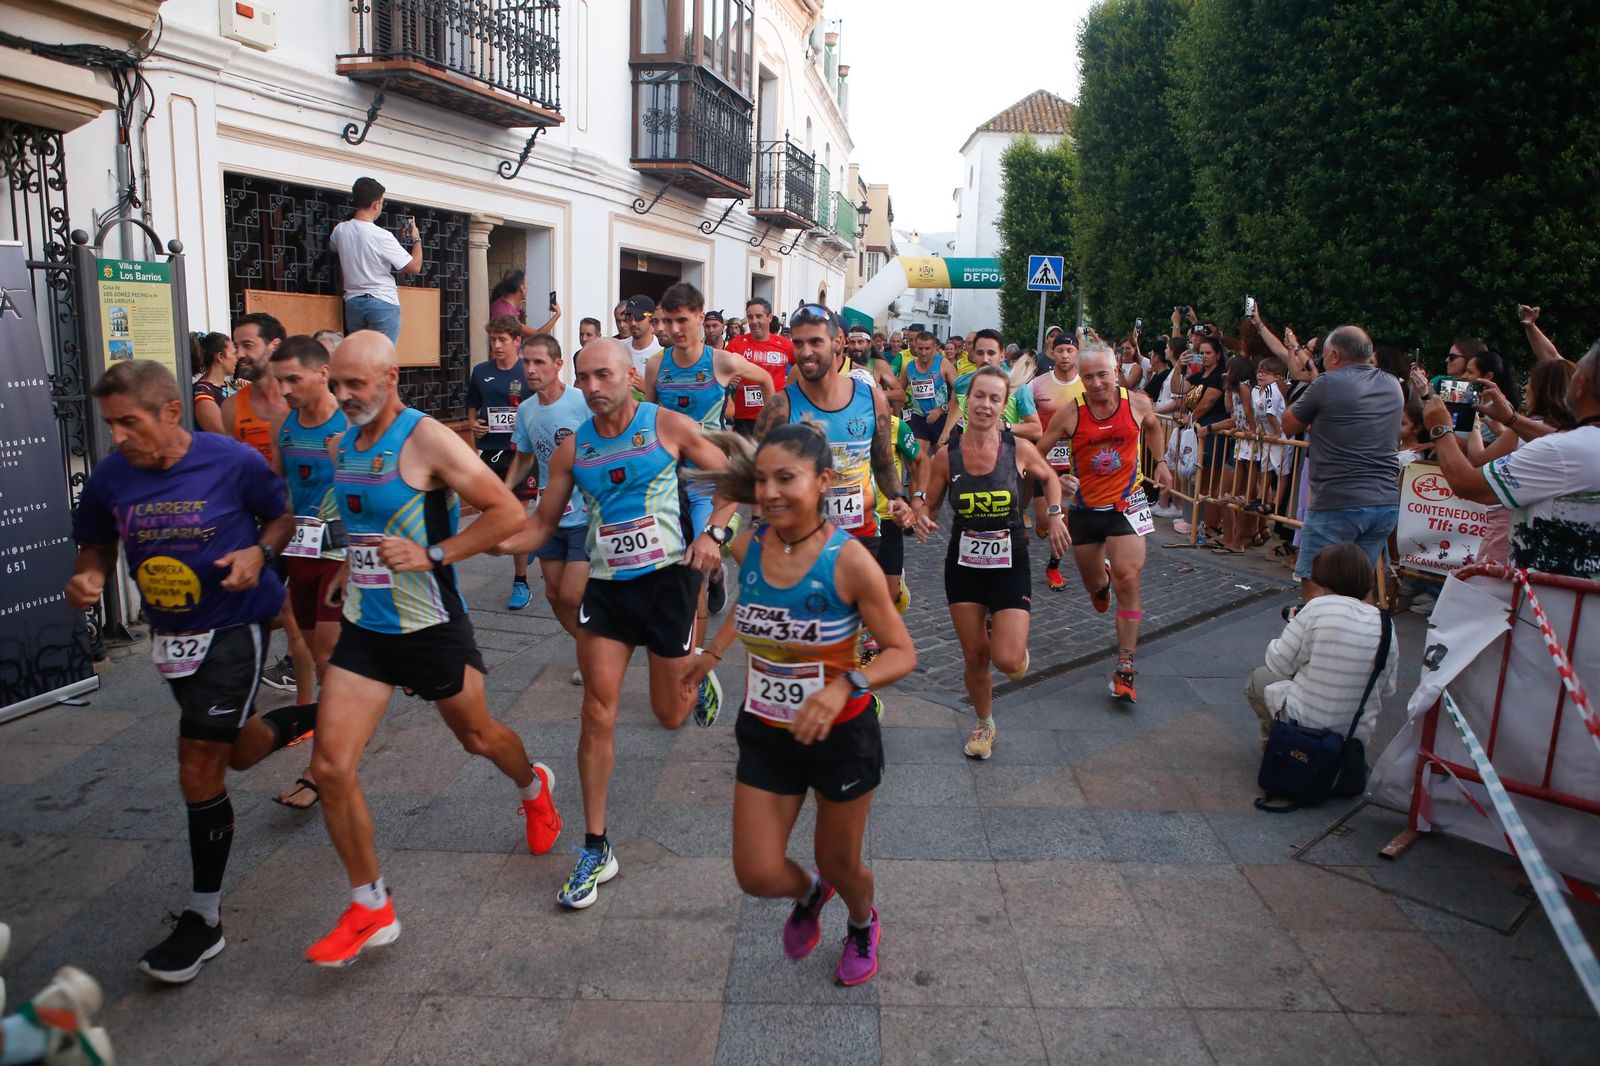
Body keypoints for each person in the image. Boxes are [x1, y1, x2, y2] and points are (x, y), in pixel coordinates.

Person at [305, 332, 561, 967]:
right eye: (336, 385)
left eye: (355, 384)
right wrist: (349, 568)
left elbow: (505, 512)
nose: (343, 396)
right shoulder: (343, 442)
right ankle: (370, 906)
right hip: (367, 627)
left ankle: (533, 786)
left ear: (390, 378)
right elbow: (365, 522)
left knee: (478, 738)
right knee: (331, 767)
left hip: (430, 624)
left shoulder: (426, 439)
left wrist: (434, 554)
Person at [67, 360, 317, 983]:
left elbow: (282, 517)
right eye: (111, 424)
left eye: (129, 422)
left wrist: (260, 553)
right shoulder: (111, 477)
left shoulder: (229, 461)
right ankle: (321, 717)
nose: (118, 436)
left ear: (171, 412)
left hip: (234, 625)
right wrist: (90, 575)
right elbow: (97, 543)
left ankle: (204, 919)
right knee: (239, 752)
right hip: (171, 637)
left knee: (197, 766)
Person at [495, 338, 736, 910]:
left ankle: (695, 673)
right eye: (584, 377)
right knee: (597, 711)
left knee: (668, 714)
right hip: (607, 591)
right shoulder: (572, 450)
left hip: (667, 584)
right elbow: (542, 524)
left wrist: (714, 533)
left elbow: (731, 480)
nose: (592, 387)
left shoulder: (666, 425)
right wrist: (485, 543)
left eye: (603, 375)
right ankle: (596, 846)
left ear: (630, 376)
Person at [680, 424, 916, 987]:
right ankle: (809, 892)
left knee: (841, 862)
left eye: (786, 478)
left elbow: (902, 653)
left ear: (823, 481)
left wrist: (846, 684)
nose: (770, 492)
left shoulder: (849, 560)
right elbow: (754, 602)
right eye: (762, 480)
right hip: (766, 729)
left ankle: (862, 922)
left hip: (841, 737)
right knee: (757, 873)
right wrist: (712, 655)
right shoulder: (750, 545)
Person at [913, 366, 1071, 759]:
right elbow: (930, 504)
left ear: (1004, 406)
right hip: (964, 565)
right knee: (975, 656)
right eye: (979, 396)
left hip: (1010, 561)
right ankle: (984, 723)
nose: (985, 405)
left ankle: (1013, 647)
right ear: (967, 402)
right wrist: (920, 515)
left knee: (1008, 660)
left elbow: (1050, 478)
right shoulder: (947, 457)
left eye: (994, 399)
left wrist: (1054, 513)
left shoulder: (1018, 449)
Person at [753, 304, 916, 610]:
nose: (805, 352)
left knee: (854, 619)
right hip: (802, 536)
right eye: (798, 343)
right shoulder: (780, 408)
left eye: (815, 341)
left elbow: (883, 463)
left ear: (838, 341)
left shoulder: (871, 399)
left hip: (861, 533)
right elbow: (757, 477)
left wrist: (898, 498)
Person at [1037, 345, 1173, 702]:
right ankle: (1103, 582)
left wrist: (1161, 462)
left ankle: (1125, 666)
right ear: (1080, 379)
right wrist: (1057, 477)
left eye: (1102, 375)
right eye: (1088, 377)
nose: (1096, 383)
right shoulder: (1070, 414)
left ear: (1115, 371)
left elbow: (1154, 427)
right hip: (1085, 509)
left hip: (1128, 504)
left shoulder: (1138, 403)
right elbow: (1036, 454)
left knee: (1129, 577)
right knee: (1096, 585)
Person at [645, 282, 774, 632]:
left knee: (695, 568)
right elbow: (650, 418)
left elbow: (765, 379)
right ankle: (713, 576)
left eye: (682, 320)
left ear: (700, 317)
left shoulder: (722, 361)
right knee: (672, 560)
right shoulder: (656, 366)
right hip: (668, 477)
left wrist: (768, 428)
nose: (674, 329)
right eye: (668, 321)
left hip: (709, 478)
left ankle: (694, 649)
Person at [1419, 342, 1600, 580]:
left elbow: (1468, 484)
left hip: (1543, 595)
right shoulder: (1575, 444)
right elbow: (1558, 439)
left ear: (1581, 386)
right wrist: (1511, 419)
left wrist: (1441, 429)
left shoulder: (1558, 450)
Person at [265, 335, 350, 811]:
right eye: (279, 380)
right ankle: (337, 735)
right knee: (321, 660)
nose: (284, 389)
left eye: (292, 379)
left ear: (323, 374)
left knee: (328, 659)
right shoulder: (286, 425)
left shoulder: (350, 424)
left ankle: (322, 767)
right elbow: (278, 492)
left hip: (340, 559)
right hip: (300, 555)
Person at [225, 313, 314, 700]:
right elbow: (230, 472)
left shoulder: (298, 403)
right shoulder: (232, 407)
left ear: (273, 346)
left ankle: (305, 698)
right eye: (236, 346)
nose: (239, 353)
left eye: (248, 345)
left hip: (306, 522)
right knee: (259, 605)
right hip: (264, 524)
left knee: (300, 614)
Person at [1279, 326, 1403, 601]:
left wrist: (1313, 387)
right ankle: (1362, 629)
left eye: (1323, 357)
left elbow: (1288, 424)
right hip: (1383, 501)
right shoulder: (1392, 384)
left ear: (1334, 355)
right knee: (1359, 582)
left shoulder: (1327, 383)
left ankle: (1319, 627)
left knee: (1315, 578)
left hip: (1337, 501)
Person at [1245, 542, 1399, 746]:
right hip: (1354, 733)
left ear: (1324, 576)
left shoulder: (1317, 608)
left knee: (1259, 679)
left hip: (1307, 723)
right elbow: (1387, 688)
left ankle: (1280, 748)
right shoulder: (1385, 623)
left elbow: (1278, 663)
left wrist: (1292, 624)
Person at [502, 333, 590, 686]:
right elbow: (524, 456)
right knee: (554, 596)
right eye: (526, 362)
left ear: (558, 364)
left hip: (587, 514)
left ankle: (600, 648)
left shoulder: (581, 401)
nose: (531, 369)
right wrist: (503, 491)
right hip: (550, 515)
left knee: (572, 594)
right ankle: (593, 648)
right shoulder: (526, 410)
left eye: (539, 362)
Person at [467, 315, 537, 609]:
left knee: (516, 520)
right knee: (494, 519)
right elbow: (472, 406)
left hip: (521, 454)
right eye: (493, 340)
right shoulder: (481, 372)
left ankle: (521, 582)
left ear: (516, 341)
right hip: (490, 454)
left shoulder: (528, 371)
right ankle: (531, 542)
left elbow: (543, 406)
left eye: (502, 340)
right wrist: (474, 425)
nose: (496, 345)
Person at [326, 176, 421, 343]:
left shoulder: (340, 230)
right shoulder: (381, 235)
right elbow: (414, 267)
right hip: (382, 301)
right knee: (382, 354)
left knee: (360, 354)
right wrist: (416, 238)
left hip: (353, 303)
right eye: (382, 202)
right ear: (376, 204)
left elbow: (333, 247)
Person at [1030, 331, 1087, 590]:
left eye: (1070, 350)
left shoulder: (1086, 385)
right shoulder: (1037, 385)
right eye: (1060, 350)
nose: (1065, 355)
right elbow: (1022, 414)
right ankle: (1044, 525)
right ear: (1052, 353)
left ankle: (1053, 566)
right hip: (1042, 460)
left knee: (1063, 518)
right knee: (1044, 522)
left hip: (1073, 464)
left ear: (1077, 353)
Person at [946, 328, 1041, 445]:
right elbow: (956, 404)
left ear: (1002, 355)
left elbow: (1036, 430)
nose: (985, 359)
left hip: (1003, 452)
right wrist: (945, 433)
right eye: (980, 353)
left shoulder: (1017, 386)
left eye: (991, 353)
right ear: (973, 355)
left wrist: (1004, 426)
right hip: (969, 450)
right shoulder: (961, 383)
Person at [725, 296, 795, 437]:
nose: (754, 321)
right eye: (750, 317)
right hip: (744, 417)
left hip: (775, 416)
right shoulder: (735, 345)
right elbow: (719, 373)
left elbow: (803, 369)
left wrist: (791, 389)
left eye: (759, 316)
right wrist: (728, 378)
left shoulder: (786, 345)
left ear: (769, 318)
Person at [899, 331, 956, 448]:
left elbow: (960, 393)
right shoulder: (909, 368)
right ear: (915, 347)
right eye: (920, 348)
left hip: (942, 418)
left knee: (940, 456)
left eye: (927, 348)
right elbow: (899, 391)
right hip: (919, 418)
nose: (923, 352)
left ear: (934, 348)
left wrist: (940, 410)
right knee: (918, 456)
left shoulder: (943, 364)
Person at [487, 269, 561, 342]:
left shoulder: (500, 304)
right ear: (522, 287)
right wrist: (557, 314)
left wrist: (517, 306)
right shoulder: (505, 313)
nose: (527, 287)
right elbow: (537, 335)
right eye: (527, 284)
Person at [191, 331, 236, 435]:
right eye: (233, 353)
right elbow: (223, 432)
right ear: (220, 357)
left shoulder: (234, 386)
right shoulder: (202, 390)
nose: (237, 358)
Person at [622, 295, 662, 381]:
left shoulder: (662, 350)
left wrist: (643, 387)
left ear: (651, 318)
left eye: (638, 317)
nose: (633, 323)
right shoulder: (619, 348)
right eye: (629, 318)